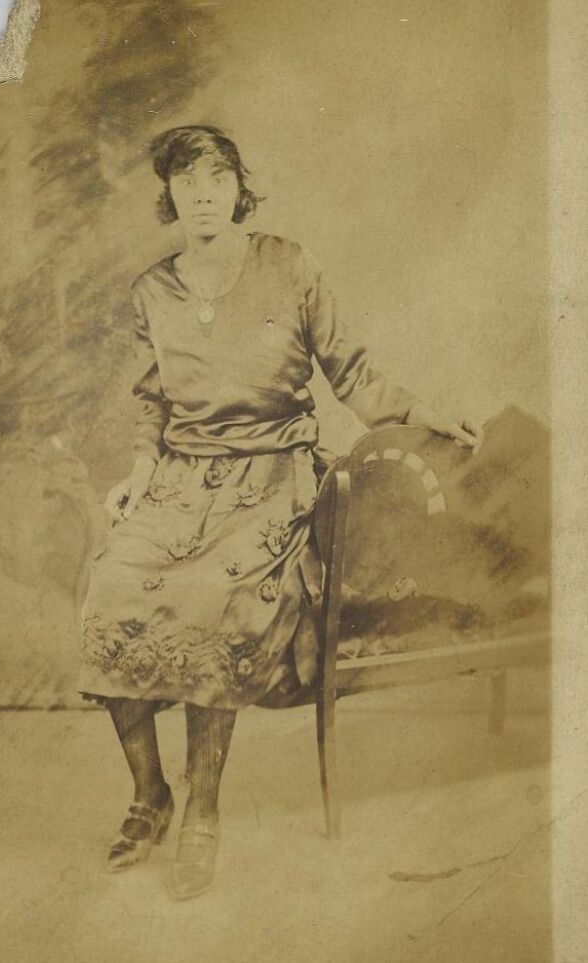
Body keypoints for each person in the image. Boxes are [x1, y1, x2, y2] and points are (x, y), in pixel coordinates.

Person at [79, 125, 484, 900]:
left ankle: (204, 812)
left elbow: (353, 372)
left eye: (217, 177)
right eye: (187, 181)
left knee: (210, 603)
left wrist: (426, 412)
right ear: (169, 195)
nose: (202, 193)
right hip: (180, 480)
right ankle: (150, 793)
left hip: (271, 476)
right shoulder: (152, 293)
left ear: (238, 187)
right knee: (107, 591)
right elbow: (150, 406)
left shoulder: (290, 265)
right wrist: (137, 476)